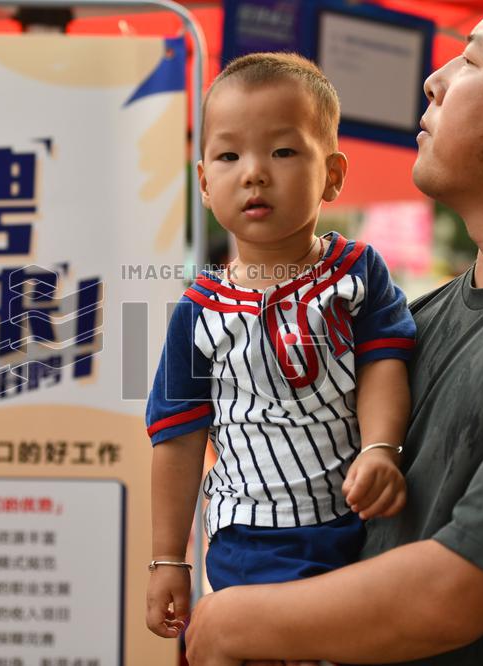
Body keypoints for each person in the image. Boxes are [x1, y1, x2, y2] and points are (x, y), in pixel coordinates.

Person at [183, 0, 483, 664]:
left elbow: (450, 593)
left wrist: (232, 621)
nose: (434, 79)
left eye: (470, 56)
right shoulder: (417, 321)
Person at [143, 52, 416, 656]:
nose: (255, 173)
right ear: (205, 181)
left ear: (334, 174)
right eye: (230, 155)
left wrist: (380, 447)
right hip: (251, 535)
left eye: (284, 152)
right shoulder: (196, 312)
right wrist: (169, 558)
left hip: (360, 521)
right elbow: (178, 440)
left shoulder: (357, 273)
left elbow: (384, 363)